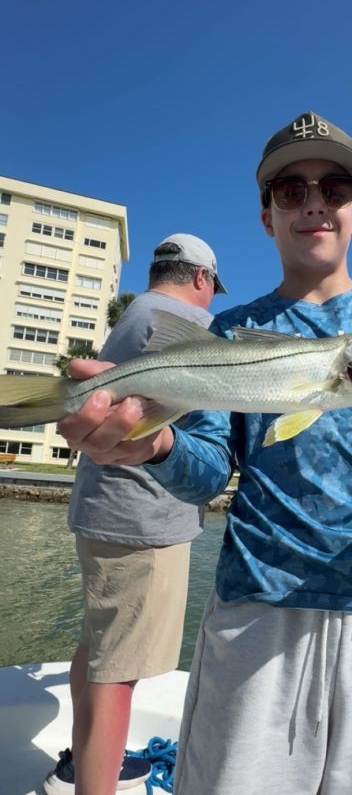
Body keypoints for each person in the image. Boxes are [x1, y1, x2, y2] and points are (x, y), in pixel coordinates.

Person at [58, 112, 352, 795]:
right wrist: (155, 445)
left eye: (332, 187)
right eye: (288, 188)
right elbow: (209, 469)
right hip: (256, 615)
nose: (312, 201)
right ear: (266, 216)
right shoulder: (232, 331)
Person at [44, 234, 227, 795]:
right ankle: (94, 779)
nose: (212, 302)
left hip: (102, 510)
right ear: (200, 277)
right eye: (212, 289)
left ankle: (83, 759)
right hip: (143, 521)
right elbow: (205, 442)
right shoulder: (181, 324)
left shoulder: (134, 315)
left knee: (99, 649)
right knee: (118, 676)